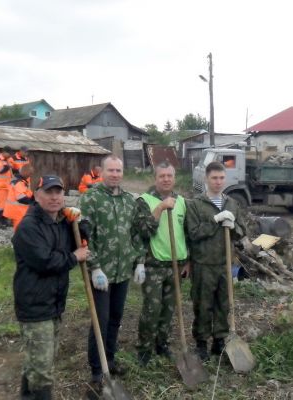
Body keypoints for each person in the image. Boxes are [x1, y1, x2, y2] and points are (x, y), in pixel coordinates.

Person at [12, 175, 90, 400]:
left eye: (58, 192)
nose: (55, 197)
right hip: (35, 306)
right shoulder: (29, 227)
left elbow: (81, 239)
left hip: (53, 303)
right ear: (37, 196)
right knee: (43, 371)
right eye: (49, 192)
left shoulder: (60, 222)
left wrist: (80, 223)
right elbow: (45, 261)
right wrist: (75, 257)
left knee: (36, 362)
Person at [79, 155, 144, 392]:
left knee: (116, 318)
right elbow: (85, 237)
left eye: (119, 170)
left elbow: (135, 234)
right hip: (101, 273)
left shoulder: (129, 200)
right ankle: (97, 371)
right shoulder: (91, 199)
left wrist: (139, 261)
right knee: (101, 320)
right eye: (111, 170)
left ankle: (110, 359)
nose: (115, 174)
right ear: (102, 172)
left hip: (122, 271)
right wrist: (94, 266)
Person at [185, 161, 246, 361]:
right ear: (206, 179)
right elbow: (192, 233)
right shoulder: (195, 204)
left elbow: (242, 231)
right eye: (214, 178)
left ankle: (219, 341)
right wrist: (215, 220)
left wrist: (233, 226)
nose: (218, 182)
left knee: (223, 303)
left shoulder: (232, 204)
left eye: (221, 178)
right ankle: (201, 343)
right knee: (203, 305)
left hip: (224, 263)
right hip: (203, 264)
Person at [134, 161, 189, 366]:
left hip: (176, 264)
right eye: (162, 176)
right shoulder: (144, 201)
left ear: (174, 178)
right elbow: (143, 231)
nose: (166, 179)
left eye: (169, 176)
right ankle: (144, 349)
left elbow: (187, 233)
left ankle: (162, 344)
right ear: (155, 178)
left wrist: (187, 261)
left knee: (169, 309)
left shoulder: (182, 202)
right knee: (152, 309)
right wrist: (159, 208)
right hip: (154, 264)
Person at [3, 164, 34, 231]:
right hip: (18, 211)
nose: (30, 176)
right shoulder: (19, 183)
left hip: (17, 210)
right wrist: (33, 201)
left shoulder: (19, 180)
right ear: (25, 172)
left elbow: (26, 192)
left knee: (20, 229)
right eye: (30, 174)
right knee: (19, 229)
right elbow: (21, 198)